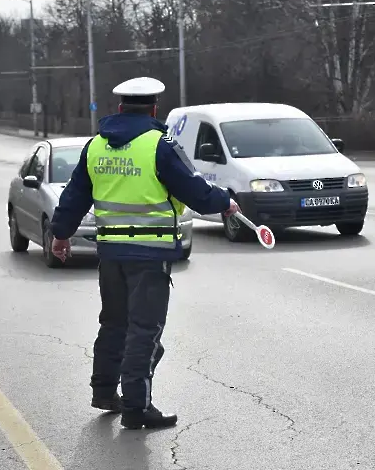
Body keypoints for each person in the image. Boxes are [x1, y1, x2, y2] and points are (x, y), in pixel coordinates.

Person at [50, 77, 239, 430]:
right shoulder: (159, 145)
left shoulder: (96, 146)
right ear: (154, 109)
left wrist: (60, 236)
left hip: (110, 254)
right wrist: (225, 201)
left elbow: (74, 196)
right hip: (149, 255)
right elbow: (194, 190)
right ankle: (137, 406)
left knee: (113, 323)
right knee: (144, 330)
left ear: (119, 107)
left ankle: (105, 392)